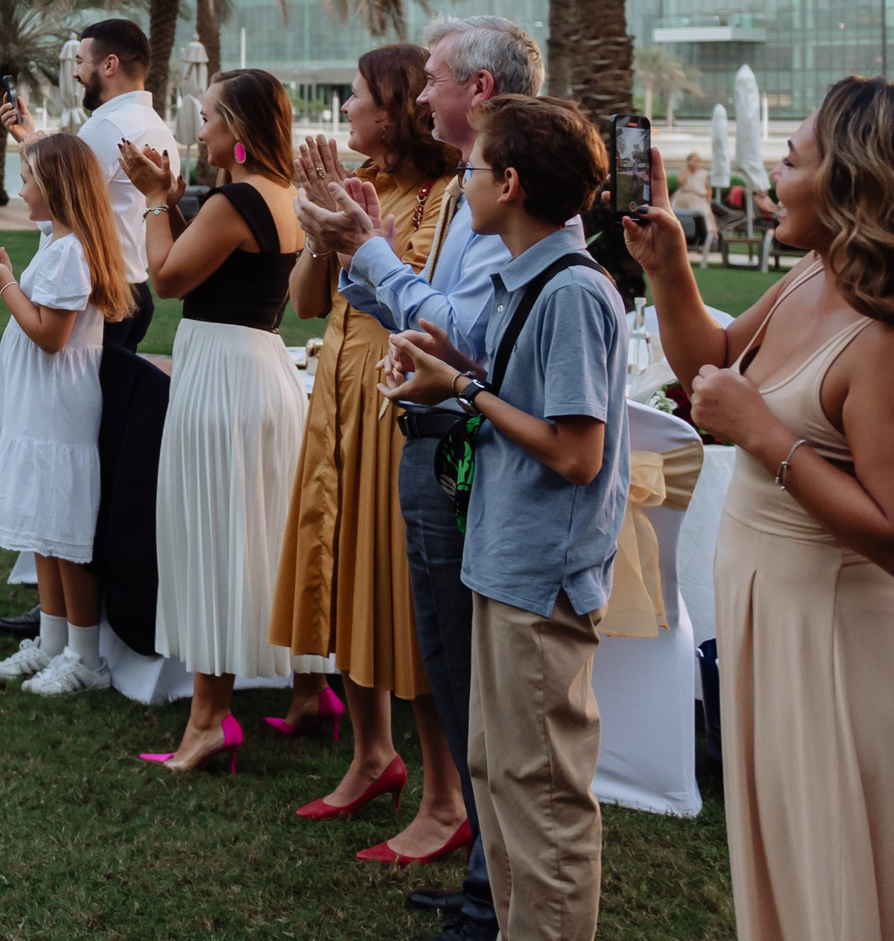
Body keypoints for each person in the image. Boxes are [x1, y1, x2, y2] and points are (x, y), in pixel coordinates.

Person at [623, 77, 894, 941]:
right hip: (764, 617)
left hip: (834, 638)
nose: (774, 169)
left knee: (831, 858)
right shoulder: (809, 272)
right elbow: (710, 358)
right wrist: (667, 264)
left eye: (793, 156)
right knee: (778, 845)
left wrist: (766, 436)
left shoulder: (880, 339)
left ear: (847, 182)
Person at [296, 14, 545, 941]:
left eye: (434, 76)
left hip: (458, 446)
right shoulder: (465, 190)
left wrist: (367, 253)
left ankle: (493, 890)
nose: (422, 88)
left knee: (470, 683)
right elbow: (415, 307)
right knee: (449, 666)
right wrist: (351, 242)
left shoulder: (489, 196)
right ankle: (486, 880)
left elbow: (465, 331)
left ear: (476, 91)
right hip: (428, 435)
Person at [379, 97, 628, 941]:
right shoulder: (528, 281)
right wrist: (442, 362)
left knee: (542, 800)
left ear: (511, 184)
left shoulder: (570, 292)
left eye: (475, 167)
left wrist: (461, 389)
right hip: (501, 558)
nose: (465, 179)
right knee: (500, 777)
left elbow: (575, 452)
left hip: (539, 574)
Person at [272, 45, 471, 861]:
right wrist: (321, 229)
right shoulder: (360, 189)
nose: (345, 113)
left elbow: (440, 315)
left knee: (405, 599)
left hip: (403, 407)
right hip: (339, 403)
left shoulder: (453, 197)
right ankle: (370, 757)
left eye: (356, 99)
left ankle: (445, 795)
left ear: (396, 111)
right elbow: (306, 305)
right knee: (345, 576)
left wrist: (357, 235)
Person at [117, 68, 324, 771]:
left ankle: (209, 721)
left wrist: (153, 202)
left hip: (221, 378)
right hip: (265, 368)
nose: (198, 128)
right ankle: (310, 693)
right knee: (267, 530)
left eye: (208, 117)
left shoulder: (236, 198)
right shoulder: (285, 195)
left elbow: (169, 278)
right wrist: (176, 206)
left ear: (237, 129)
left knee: (215, 533)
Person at [0, 132, 134, 698]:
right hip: (35, 403)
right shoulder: (58, 242)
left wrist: (4, 284)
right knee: (43, 528)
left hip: (59, 405)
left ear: (56, 187)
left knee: (64, 531)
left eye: (27, 179)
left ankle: (85, 657)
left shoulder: (72, 252)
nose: (19, 190)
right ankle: (50, 639)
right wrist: (9, 271)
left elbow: (49, 335)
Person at [71, 18, 175, 356]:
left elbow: (60, 215)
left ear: (109, 64)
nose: (76, 74)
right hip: (137, 292)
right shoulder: (158, 127)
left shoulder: (104, 125)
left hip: (101, 298)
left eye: (80, 63)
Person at [669, 152, 712, 247]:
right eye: (691, 160)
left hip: (697, 197)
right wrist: (687, 172)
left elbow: (708, 188)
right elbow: (680, 182)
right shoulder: (684, 171)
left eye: (695, 161)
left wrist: (708, 201)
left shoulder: (703, 173)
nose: (693, 163)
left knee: (703, 214)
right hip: (684, 197)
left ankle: (703, 240)